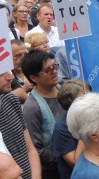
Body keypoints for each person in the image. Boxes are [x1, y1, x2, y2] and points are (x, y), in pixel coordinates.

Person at [21, 50, 65, 178]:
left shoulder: (64, 90)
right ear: (34, 78)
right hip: (55, 171)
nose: (54, 71)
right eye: (48, 70)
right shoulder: (32, 106)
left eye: (54, 66)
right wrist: (65, 157)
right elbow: (37, 148)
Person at [0, 71, 41, 179]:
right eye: (0, 74)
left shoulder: (11, 99)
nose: (10, 77)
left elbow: (30, 149)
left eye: (8, 71)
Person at [52, 80, 91, 179]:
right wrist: (85, 129)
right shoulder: (61, 129)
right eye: (84, 98)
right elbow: (76, 162)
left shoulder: (95, 117)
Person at [10, 39, 33, 104]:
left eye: (25, 54)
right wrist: (23, 90)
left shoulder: (33, 70)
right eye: (18, 55)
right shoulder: (6, 77)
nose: (23, 58)